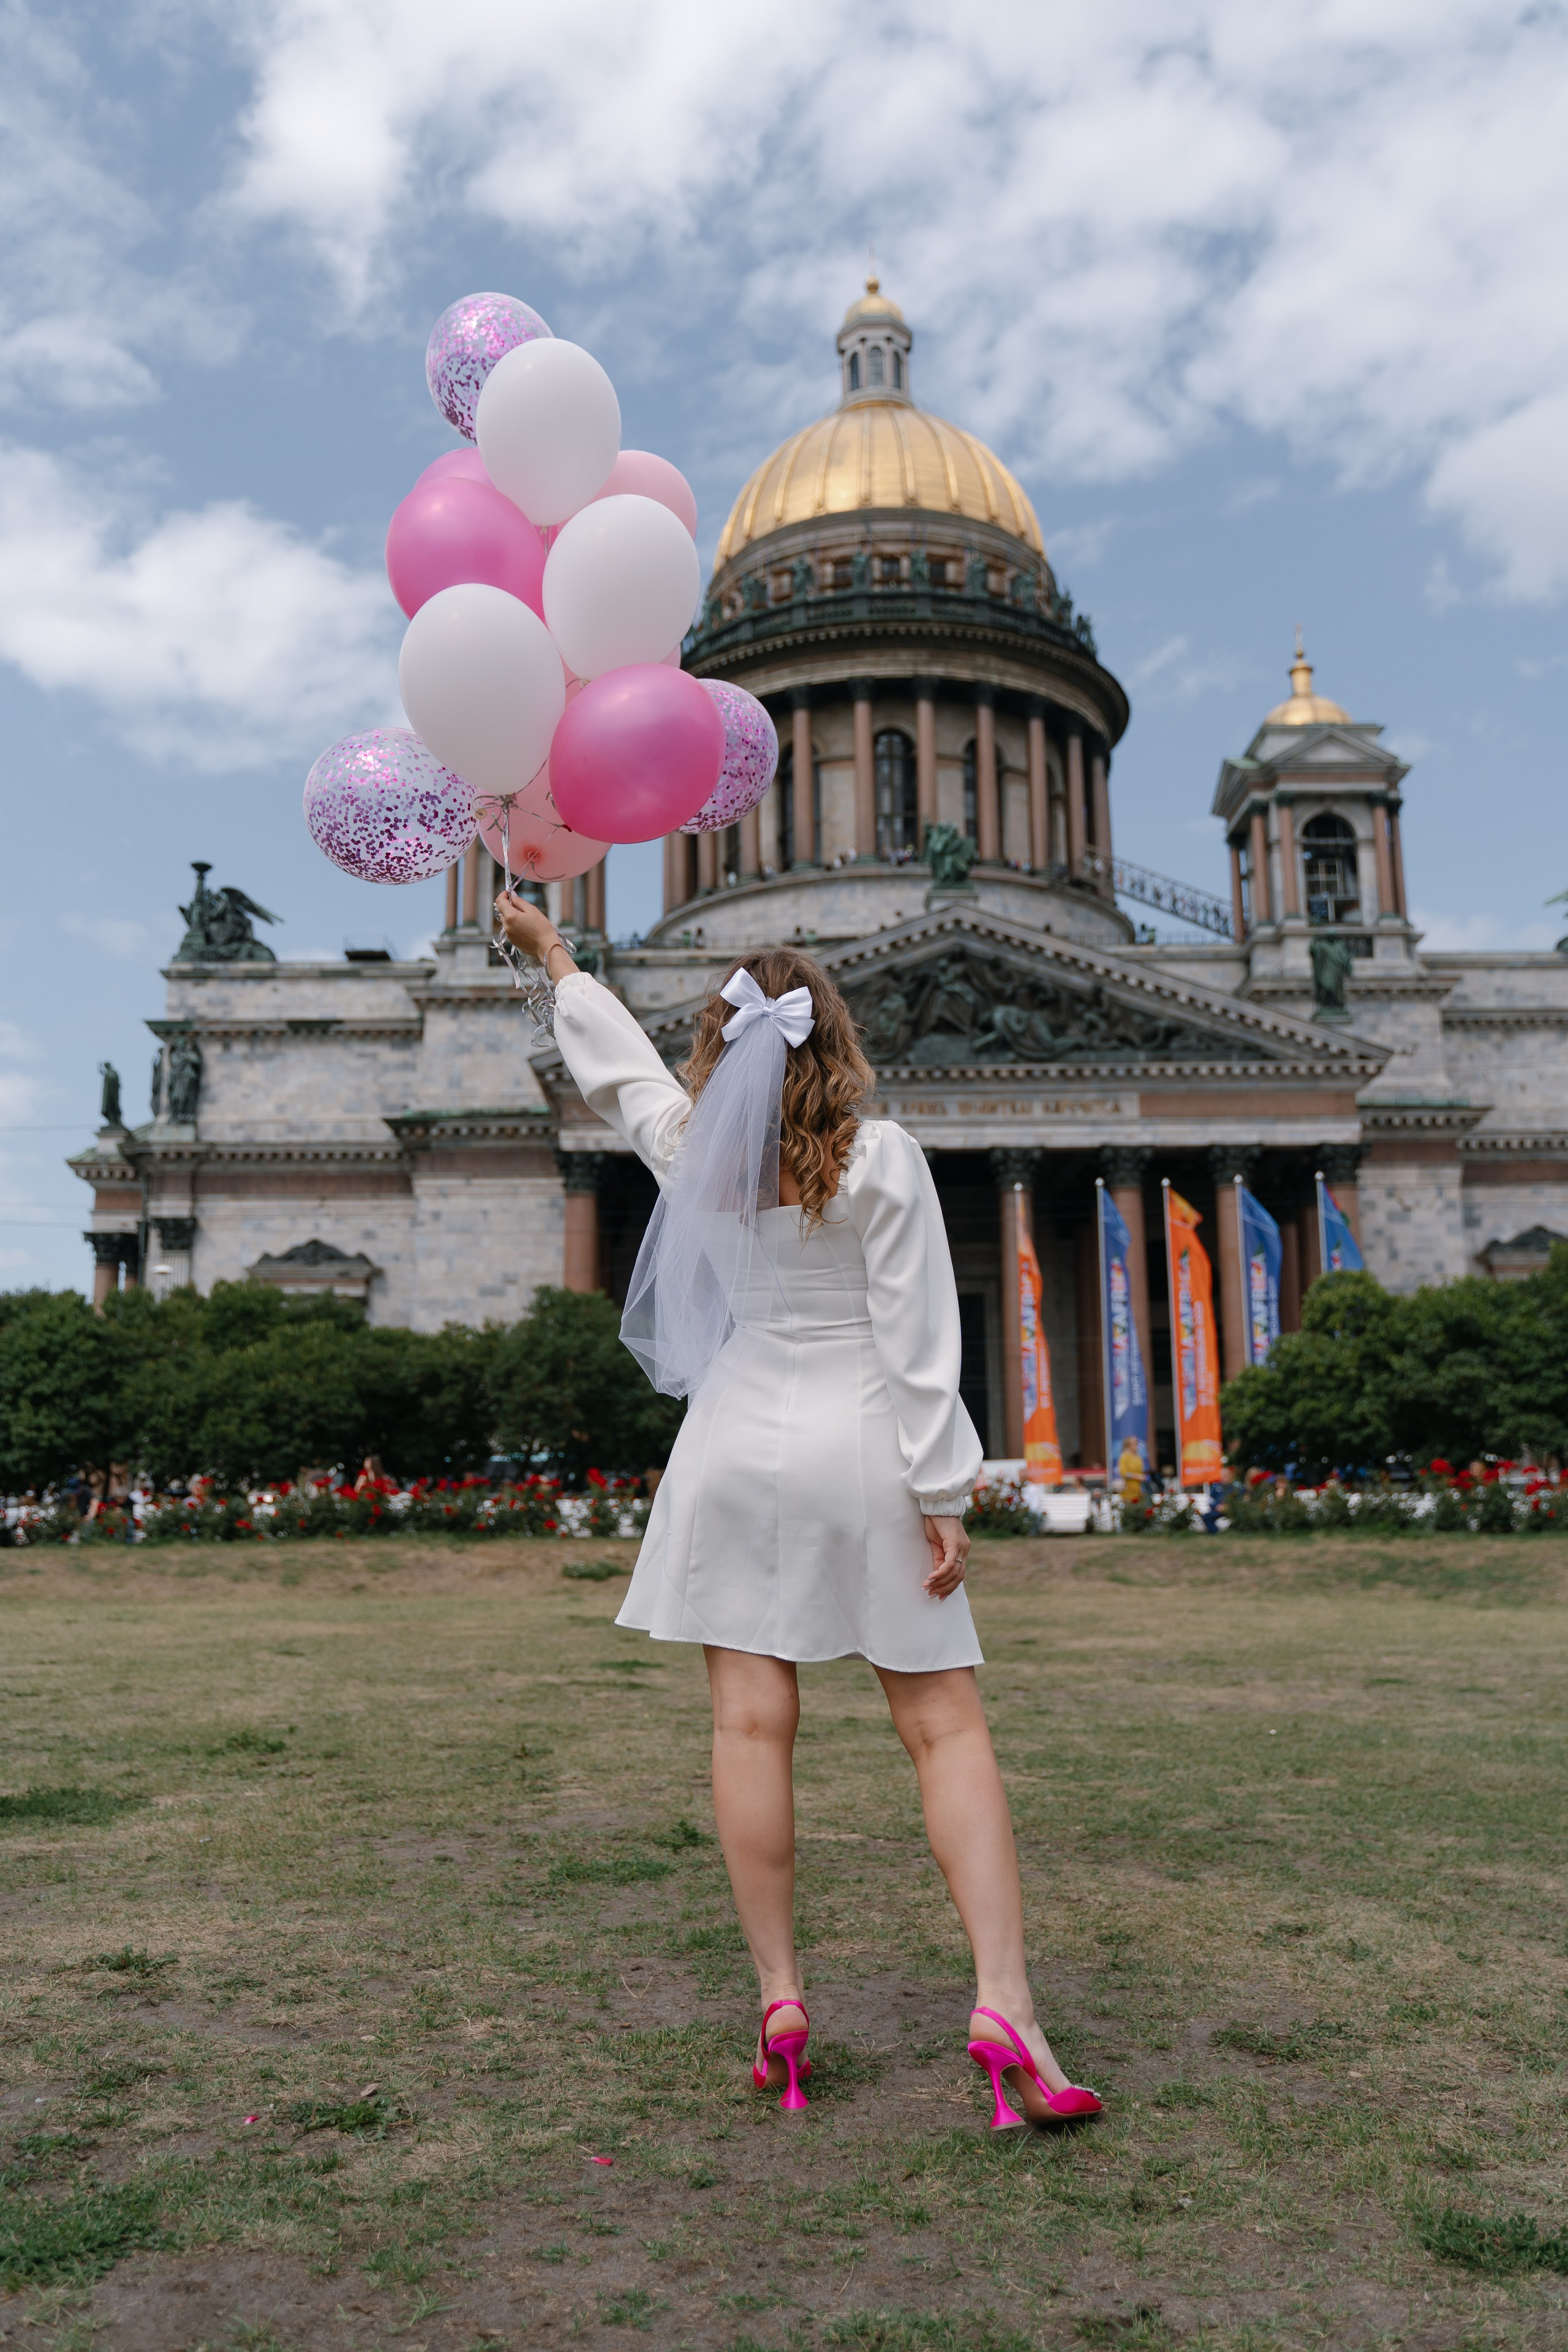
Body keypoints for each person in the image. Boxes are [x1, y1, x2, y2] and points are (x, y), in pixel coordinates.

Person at [496, 892, 1101, 2132]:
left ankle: (778, 1999)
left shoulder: (691, 1148)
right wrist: (943, 1493)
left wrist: (553, 956)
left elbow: (615, 1070)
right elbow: (922, 1341)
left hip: (727, 1443)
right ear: (835, 1044)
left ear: (723, 1052)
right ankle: (1003, 2005)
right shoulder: (877, 1160)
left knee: (749, 1727)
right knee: (943, 1733)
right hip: (863, 1442)